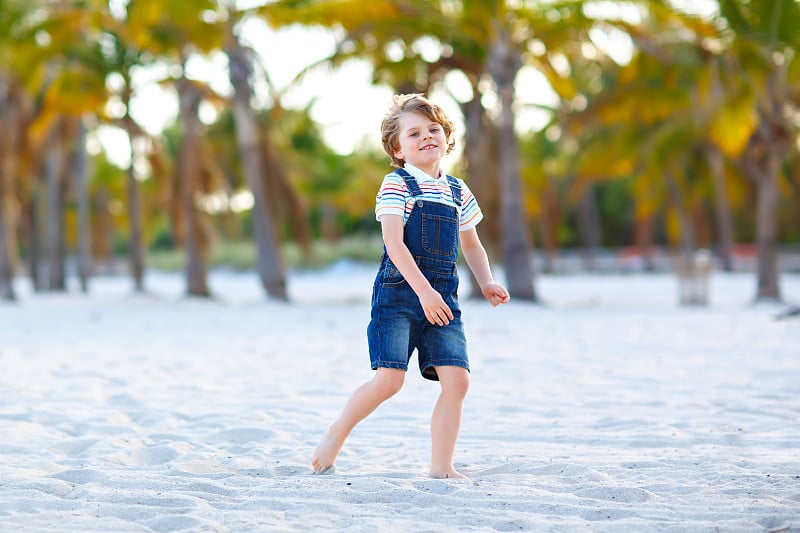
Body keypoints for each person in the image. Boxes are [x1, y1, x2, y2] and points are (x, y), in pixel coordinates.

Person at [311, 93, 510, 479]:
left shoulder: (457, 190)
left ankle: (442, 467)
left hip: (443, 298)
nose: (426, 137)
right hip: (400, 295)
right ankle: (337, 431)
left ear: (448, 138)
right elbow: (394, 245)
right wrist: (423, 291)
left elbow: (470, 242)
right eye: (414, 133)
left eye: (433, 129)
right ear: (397, 148)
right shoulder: (396, 184)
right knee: (389, 381)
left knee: (458, 380)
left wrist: (486, 281)